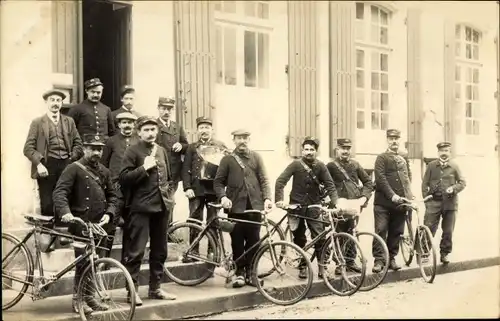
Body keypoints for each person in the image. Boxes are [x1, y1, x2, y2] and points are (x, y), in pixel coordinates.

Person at [52, 134, 117, 314]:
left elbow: (113, 196)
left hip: (100, 225)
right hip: (80, 224)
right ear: (84, 149)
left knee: (96, 263)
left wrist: (110, 214)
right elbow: (59, 192)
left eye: (99, 149)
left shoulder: (104, 171)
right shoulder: (73, 169)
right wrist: (66, 213)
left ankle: (90, 298)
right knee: (83, 263)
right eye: (92, 148)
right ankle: (77, 299)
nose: (97, 152)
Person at [119, 115, 177, 305]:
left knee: (160, 250)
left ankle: (155, 288)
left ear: (157, 131)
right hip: (141, 208)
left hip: (161, 208)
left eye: (153, 129)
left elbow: (168, 177)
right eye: (146, 130)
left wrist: (169, 197)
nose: (150, 133)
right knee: (136, 252)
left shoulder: (161, 150)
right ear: (139, 132)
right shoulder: (132, 151)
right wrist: (143, 168)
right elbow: (123, 178)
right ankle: (132, 291)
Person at [214, 129, 272, 288]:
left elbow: (264, 180)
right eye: (239, 138)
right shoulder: (227, 160)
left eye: (245, 138)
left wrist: (267, 198)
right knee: (237, 241)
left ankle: (251, 273)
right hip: (236, 207)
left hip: (255, 206)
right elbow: (218, 182)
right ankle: (239, 273)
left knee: (254, 240)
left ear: (249, 139)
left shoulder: (256, 157)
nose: (242, 141)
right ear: (234, 140)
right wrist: (223, 197)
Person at [275, 137, 338, 279]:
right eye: (306, 149)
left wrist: (336, 202)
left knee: (320, 236)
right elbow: (280, 181)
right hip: (296, 207)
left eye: (312, 150)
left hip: (314, 207)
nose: (309, 152)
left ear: (316, 151)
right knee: (299, 238)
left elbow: (330, 185)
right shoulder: (295, 165)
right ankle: (303, 265)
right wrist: (279, 200)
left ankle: (322, 267)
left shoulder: (321, 166)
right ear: (302, 151)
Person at [23, 89, 83, 234]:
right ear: (46, 102)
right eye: (52, 100)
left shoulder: (69, 121)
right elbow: (28, 148)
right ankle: (47, 236)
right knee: (48, 202)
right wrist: (39, 164)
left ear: (62, 103)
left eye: (58, 100)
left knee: (66, 199)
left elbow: (78, 144)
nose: (55, 103)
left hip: (66, 164)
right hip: (47, 166)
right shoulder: (37, 122)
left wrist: (71, 159)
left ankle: (65, 235)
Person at [182, 116, 228, 260]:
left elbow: (227, 167)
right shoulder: (192, 147)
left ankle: (212, 252)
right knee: (194, 220)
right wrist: (187, 187)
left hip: (214, 190)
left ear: (212, 130)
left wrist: (223, 189)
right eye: (201, 128)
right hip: (196, 190)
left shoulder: (220, 146)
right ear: (197, 130)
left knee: (213, 220)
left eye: (207, 128)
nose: (204, 130)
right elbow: (185, 168)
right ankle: (193, 251)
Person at [326, 138, 373, 273]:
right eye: (343, 148)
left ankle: (350, 261)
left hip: (354, 204)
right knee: (339, 232)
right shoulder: (330, 166)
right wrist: (334, 200)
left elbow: (368, 182)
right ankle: (340, 263)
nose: (345, 151)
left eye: (348, 148)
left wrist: (364, 197)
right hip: (338, 205)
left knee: (352, 231)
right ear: (337, 149)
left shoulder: (355, 165)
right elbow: (326, 184)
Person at [100, 112, 140, 259]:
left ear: (134, 125)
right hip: (116, 188)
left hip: (134, 190)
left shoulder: (138, 141)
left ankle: (126, 258)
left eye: (130, 122)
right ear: (119, 125)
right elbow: (103, 165)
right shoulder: (111, 141)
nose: (127, 125)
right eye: (124, 122)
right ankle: (105, 259)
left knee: (131, 226)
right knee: (111, 224)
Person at [373, 129, 413, 271]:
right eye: (391, 138)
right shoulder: (381, 158)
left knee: (396, 231)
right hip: (383, 202)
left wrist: (408, 195)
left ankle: (391, 258)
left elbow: (408, 176)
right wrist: (392, 195)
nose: (394, 141)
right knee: (381, 229)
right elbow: (380, 179)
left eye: (396, 138)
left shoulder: (403, 157)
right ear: (387, 140)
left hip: (400, 202)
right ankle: (378, 260)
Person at [422, 142, 466, 264]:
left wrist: (454, 188)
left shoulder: (454, 166)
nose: (444, 153)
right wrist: (426, 200)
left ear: (450, 152)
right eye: (442, 151)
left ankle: (445, 253)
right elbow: (424, 184)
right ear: (438, 153)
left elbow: (462, 182)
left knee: (448, 231)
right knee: (429, 228)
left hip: (450, 204)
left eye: (446, 151)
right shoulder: (431, 166)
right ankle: (425, 252)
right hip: (434, 203)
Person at [156, 96, 189, 227]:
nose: (166, 112)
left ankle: (167, 230)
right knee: (159, 201)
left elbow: (186, 145)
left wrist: (181, 146)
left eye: (169, 109)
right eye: (163, 108)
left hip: (174, 172)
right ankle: (158, 231)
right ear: (158, 108)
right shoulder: (153, 126)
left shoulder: (177, 127)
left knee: (170, 201)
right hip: (159, 170)